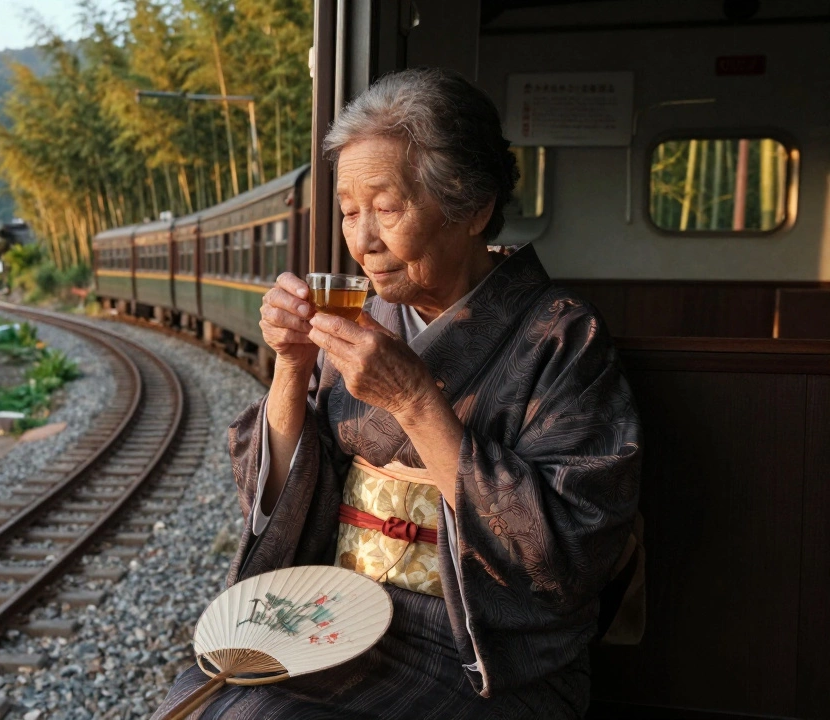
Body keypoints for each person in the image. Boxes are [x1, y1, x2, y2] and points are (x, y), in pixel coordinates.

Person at [153, 68, 642, 719]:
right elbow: (281, 499)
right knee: (205, 706)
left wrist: (416, 401)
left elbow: (567, 553)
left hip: (477, 651)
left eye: (386, 209)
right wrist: (292, 366)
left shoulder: (560, 337)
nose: (363, 239)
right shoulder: (367, 320)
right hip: (335, 613)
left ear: (473, 208)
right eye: (350, 213)